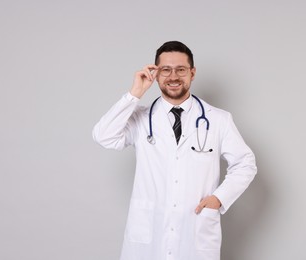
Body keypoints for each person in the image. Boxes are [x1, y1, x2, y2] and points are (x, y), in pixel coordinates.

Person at [92, 41, 257, 260]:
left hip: (195, 230)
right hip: (149, 234)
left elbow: (245, 163)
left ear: (192, 72)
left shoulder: (218, 119)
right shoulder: (140, 118)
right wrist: (135, 93)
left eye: (180, 69)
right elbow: (103, 135)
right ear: (156, 73)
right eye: (165, 70)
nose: (173, 77)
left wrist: (220, 198)